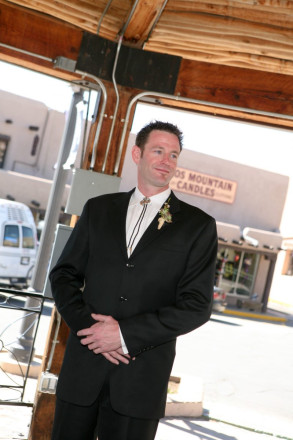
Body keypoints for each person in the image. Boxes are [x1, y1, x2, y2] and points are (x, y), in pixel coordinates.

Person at [50, 120, 218, 440]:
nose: (166, 160)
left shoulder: (198, 226)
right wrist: (91, 330)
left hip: (140, 382)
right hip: (82, 372)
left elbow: (197, 306)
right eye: (158, 151)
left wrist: (125, 335)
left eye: (173, 154)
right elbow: (64, 275)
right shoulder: (98, 209)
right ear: (136, 154)